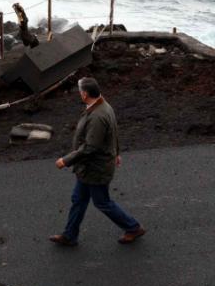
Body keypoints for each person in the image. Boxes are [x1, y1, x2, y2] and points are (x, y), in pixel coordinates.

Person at [50, 77, 146, 246]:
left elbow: (89, 148)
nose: (79, 94)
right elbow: (114, 132)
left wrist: (65, 160)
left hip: (95, 168)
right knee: (78, 199)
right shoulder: (103, 106)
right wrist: (116, 152)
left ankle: (133, 227)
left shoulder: (97, 116)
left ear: (85, 94)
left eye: (80, 91)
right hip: (89, 168)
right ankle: (70, 235)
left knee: (102, 202)